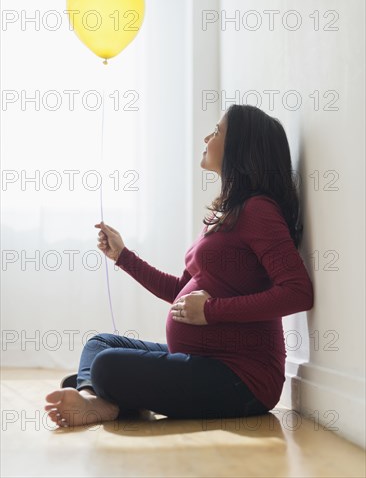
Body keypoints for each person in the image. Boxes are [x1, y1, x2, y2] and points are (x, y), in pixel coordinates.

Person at [44, 104, 314, 428]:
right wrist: (123, 257)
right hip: (201, 362)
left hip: (242, 380)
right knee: (100, 345)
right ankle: (96, 400)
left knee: (106, 367)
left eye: (217, 131)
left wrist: (212, 311)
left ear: (240, 147)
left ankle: (109, 400)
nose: (206, 137)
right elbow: (180, 294)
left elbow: (298, 293)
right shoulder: (224, 216)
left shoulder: (258, 211)